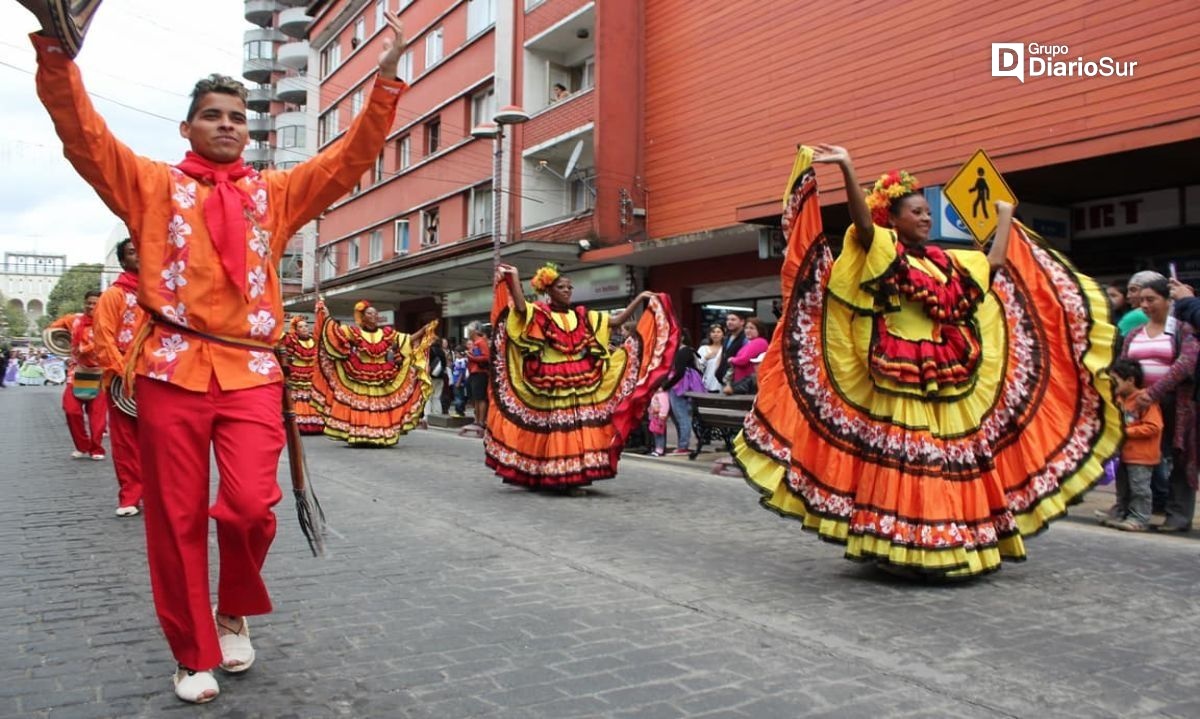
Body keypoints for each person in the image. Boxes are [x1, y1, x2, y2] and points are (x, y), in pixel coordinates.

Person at [21, 1, 410, 702]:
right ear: (188, 127)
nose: (228, 124)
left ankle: (233, 608)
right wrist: (56, 50)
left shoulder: (275, 193)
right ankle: (191, 649)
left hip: (253, 370)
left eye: (237, 116)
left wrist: (383, 86)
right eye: (213, 115)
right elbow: (84, 136)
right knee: (173, 519)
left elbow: (350, 160)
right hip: (171, 368)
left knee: (250, 506)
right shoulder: (149, 184)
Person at [734, 145, 1120, 579]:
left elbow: (992, 264)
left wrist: (1006, 213)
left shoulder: (943, 263)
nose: (925, 218)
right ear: (893, 219)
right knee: (909, 460)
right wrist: (848, 169)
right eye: (916, 212)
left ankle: (955, 540)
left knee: (953, 459)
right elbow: (862, 223)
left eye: (927, 213)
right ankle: (904, 543)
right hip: (899, 372)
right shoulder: (881, 249)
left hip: (946, 374)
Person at [487, 262, 679, 489]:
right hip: (551, 378)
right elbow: (520, 308)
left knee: (577, 426)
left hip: (581, 377)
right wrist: (514, 277)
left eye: (570, 287)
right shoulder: (540, 312)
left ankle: (573, 473)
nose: (567, 291)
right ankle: (553, 473)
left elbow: (616, 322)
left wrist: (639, 300)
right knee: (556, 425)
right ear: (548, 290)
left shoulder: (582, 315)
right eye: (561, 287)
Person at [1120, 277, 1198, 532]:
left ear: (1168, 301)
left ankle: (1178, 515)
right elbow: (1122, 367)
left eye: (1151, 299)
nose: (1144, 305)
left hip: (1176, 404)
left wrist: (1153, 392)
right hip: (1139, 405)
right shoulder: (1134, 334)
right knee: (1136, 456)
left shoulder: (1182, 330)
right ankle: (1132, 509)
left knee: (1180, 457)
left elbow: (1186, 363)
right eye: (1141, 300)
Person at [312, 299, 435, 447]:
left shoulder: (387, 333)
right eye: (370, 313)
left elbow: (406, 340)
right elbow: (335, 335)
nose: (374, 315)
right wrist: (326, 317)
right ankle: (361, 434)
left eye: (376, 313)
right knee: (360, 403)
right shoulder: (354, 332)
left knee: (381, 405)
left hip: (382, 373)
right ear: (363, 317)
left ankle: (379, 435)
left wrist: (423, 331)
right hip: (360, 372)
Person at [93, 238, 146, 516]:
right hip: (123, 377)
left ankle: (157, 494)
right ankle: (130, 496)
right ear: (123, 261)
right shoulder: (114, 295)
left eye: (142, 250)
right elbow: (103, 337)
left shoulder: (161, 293)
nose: (139, 255)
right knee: (126, 441)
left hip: (157, 374)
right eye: (131, 252)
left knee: (161, 441)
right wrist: (124, 372)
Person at [1102, 359, 1162, 532]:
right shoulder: (1119, 400)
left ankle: (1139, 518)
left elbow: (1154, 426)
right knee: (1123, 488)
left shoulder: (1144, 400)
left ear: (1130, 380)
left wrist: (1126, 432)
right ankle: (1123, 514)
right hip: (1123, 455)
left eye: (1116, 380)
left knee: (1139, 489)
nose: (1112, 384)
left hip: (1141, 456)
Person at [48, 295, 107, 460]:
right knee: (71, 410)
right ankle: (82, 445)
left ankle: (96, 449)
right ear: (84, 304)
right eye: (88, 303)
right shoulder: (73, 320)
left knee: (98, 417)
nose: (91, 306)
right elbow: (52, 330)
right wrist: (58, 343)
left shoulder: (108, 320)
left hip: (100, 373)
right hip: (76, 373)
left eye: (95, 303)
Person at [662, 328, 703, 454]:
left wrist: (666, 386)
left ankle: (683, 445)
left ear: (682, 337)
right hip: (679, 386)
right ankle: (682, 443)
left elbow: (679, 373)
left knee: (682, 415)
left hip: (679, 387)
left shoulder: (683, 351)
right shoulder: (683, 350)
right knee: (678, 416)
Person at [279, 316, 323, 435]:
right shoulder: (292, 340)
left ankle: (316, 424)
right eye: (301, 327)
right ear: (296, 330)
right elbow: (281, 339)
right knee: (299, 397)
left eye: (306, 326)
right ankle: (299, 424)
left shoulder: (314, 340)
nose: (304, 328)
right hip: (298, 372)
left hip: (312, 372)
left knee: (312, 397)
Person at [723, 316, 769, 395]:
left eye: (752, 328)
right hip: (741, 382)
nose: (748, 330)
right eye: (746, 328)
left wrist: (732, 359)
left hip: (748, 384)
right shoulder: (750, 343)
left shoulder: (760, 342)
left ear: (759, 330)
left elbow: (743, 360)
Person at [466, 324, 490, 427]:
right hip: (474, 372)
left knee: (480, 397)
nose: (468, 333)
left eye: (469, 331)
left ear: (474, 332)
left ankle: (481, 420)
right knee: (476, 397)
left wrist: (471, 357)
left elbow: (486, 357)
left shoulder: (481, 342)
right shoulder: (476, 343)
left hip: (480, 373)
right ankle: (477, 419)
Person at [714, 312, 746, 386]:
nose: (729, 322)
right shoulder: (727, 337)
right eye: (728, 320)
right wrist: (717, 371)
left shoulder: (745, 338)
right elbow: (723, 355)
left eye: (733, 319)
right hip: (723, 379)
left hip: (737, 381)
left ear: (742, 322)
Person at [696, 323, 725, 392]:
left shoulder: (726, 349)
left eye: (718, 332)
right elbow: (697, 366)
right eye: (713, 332)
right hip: (706, 384)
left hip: (722, 385)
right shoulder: (703, 349)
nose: (716, 334)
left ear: (723, 334)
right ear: (709, 335)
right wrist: (705, 358)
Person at [648, 387, 671, 456]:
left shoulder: (662, 395)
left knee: (659, 434)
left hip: (659, 417)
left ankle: (660, 449)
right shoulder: (657, 394)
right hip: (655, 416)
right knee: (656, 433)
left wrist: (662, 415)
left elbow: (664, 406)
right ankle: (657, 448)